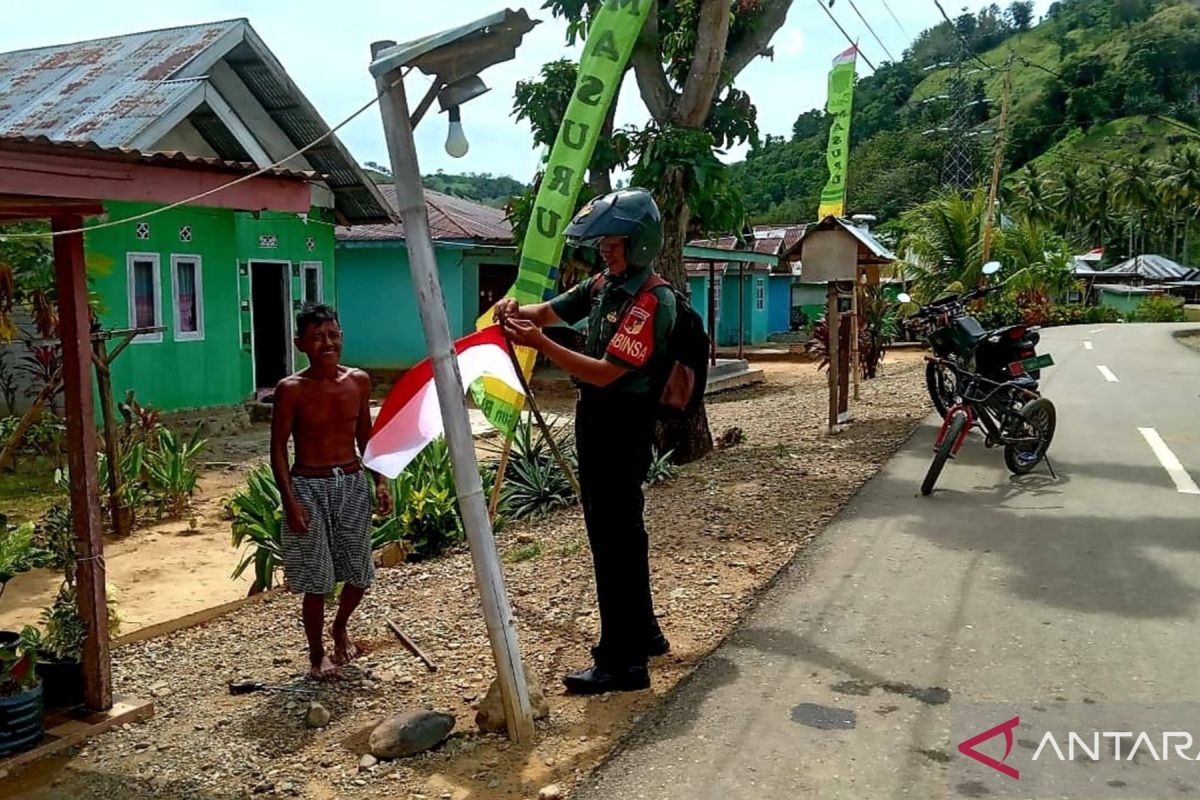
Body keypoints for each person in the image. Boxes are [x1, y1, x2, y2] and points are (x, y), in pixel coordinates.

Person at [497, 187, 675, 695]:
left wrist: (540, 344)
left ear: (639, 243)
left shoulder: (649, 302)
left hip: (622, 425)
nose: (604, 249)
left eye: (613, 241)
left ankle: (623, 663)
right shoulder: (603, 286)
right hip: (598, 420)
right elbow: (549, 311)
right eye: (601, 242)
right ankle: (644, 632)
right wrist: (517, 312)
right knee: (622, 534)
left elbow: (604, 373)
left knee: (612, 541)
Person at [270, 304, 393, 680]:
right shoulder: (291, 390)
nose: (328, 343)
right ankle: (316, 655)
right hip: (308, 486)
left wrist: (380, 480)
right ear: (301, 343)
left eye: (334, 334)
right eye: (319, 336)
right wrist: (290, 502)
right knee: (317, 580)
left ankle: (340, 627)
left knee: (359, 571)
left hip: (351, 481)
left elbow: (365, 437)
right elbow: (277, 449)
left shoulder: (358, 381)